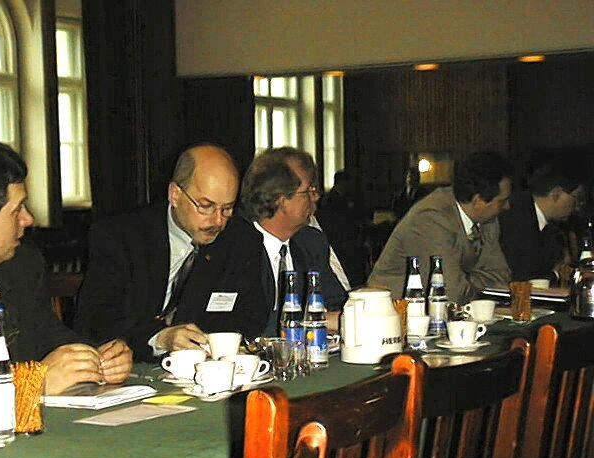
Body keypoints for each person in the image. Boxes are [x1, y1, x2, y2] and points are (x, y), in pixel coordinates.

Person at [0, 136, 132, 410]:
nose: (28, 219)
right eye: (16, 210)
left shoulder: (20, 266)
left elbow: (47, 336)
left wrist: (98, 357)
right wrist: (30, 381)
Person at [75, 144, 267, 362]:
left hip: (205, 366)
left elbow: (251, 316)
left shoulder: (240, 240)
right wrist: (159, 337)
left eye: (227, 208)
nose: (218, 221)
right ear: (175, 195)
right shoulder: (119, 236)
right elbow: (96, 317)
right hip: (130, 365)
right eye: (205, 206)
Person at [368, 151, 513, 304]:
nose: (507, 207)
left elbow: (502, 276)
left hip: (444, 310)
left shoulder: (487, 220)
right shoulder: (431, 219)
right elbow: (451, 293)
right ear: (477, 201)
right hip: (394, 309)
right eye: (502, 201)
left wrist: (464, 280)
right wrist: (475, 282)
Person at [240, 147, 348, 335]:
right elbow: (247, 321)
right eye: (309, 190)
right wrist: (316, 319)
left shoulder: (311, 243)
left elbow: (337, 304)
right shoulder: (238, 246)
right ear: (281, 200)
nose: (316, 196)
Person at [499, 162, 583, 284]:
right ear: (556, 194)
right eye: (576, 197)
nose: (578, 205)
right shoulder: (515, 215)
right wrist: (556, 274)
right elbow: (522, 275)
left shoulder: (551, 226)